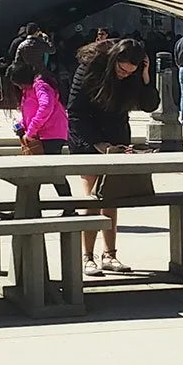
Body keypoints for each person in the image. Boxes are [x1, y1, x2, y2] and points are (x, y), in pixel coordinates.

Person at [67, 37, 158, 277]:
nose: (124, 75)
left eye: (131, 72)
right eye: (121, 69)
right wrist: (96, 143)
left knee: (112, 196)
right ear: (114, 59)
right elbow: (75, 112)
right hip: (88, 135)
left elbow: (150, 105)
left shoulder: (134, 73)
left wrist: (146, 76)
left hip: (116, 134)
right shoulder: (91, 65)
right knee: (93, 196)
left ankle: (110, 254)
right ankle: (87, 256)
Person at [9, 60, 71, 197]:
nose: (19, 87)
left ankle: (68, 206)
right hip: (41, 133)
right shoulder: (28, 90)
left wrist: (31, 131)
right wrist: (22, 125)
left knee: (52, 172)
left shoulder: (41, 85)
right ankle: (32, 206)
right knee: (38, 173)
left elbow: (46, 107)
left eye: (19, 84)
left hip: (51, 134)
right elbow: (31, 111)